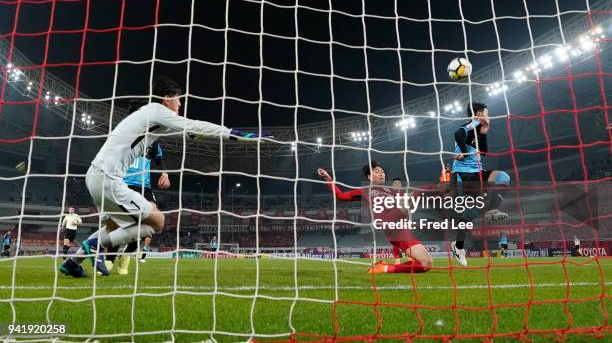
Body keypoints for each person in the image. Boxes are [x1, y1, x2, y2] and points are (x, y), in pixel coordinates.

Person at [59, 76, 268, 277]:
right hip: (107, 179)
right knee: (157, 222)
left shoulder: (149, 116)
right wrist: (234, 133)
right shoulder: (157, 110)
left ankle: (72, 263)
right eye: (179, 99)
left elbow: (190, 131)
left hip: (97, 176)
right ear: (168, 98)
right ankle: (94, 246)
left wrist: (195, 134)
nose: (180, 104)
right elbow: (193, 125)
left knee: (118, 226)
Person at [318, 162, 432, 274]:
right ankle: (437, 187)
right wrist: (328, 178)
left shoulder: (392, 191)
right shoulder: (365, 191)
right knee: (413, 196)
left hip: (401, 229)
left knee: (426, 263)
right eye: (377, 172)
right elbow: (341, 196)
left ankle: (384, 268)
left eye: (382, 172)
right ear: (369, 176)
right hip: (388, 223)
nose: (381, 174)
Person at [108, 99, 171, 275]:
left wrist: (164, 173)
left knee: (149, 224)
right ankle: (109, 258)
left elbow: (159, 158)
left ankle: (126, 256)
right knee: (117, 223)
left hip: (145, 186)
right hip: (123, 183)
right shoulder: (123, 134)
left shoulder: (153, 138)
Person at [450, 102, 511, 267]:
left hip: (478, 174)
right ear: (477, 114)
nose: (488, 116)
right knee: (469, 213)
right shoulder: (471, 125)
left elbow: (484, 152)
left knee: (503, 177)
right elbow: (457, 133)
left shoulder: (478, 130)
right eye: (486, 113)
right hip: (462, 175)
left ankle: (492, 209)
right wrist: (462, 150)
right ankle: (458, 246)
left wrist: (484, 132)